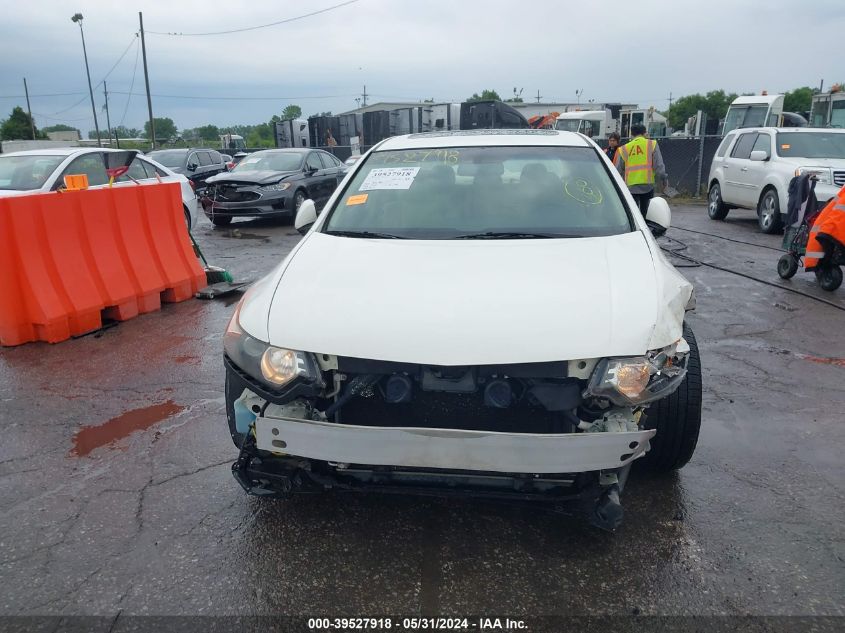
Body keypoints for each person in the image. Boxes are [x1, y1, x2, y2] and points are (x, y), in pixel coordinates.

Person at [614, 124, 668, 217]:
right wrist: (664, 179)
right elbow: (659, 166)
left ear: (631, 134)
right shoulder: (652, 144)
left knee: (632, 215)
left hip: (630, 186)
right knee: (646, 214)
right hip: (647, 185)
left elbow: (617, 170)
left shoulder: (624, 148)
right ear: (644, 133)